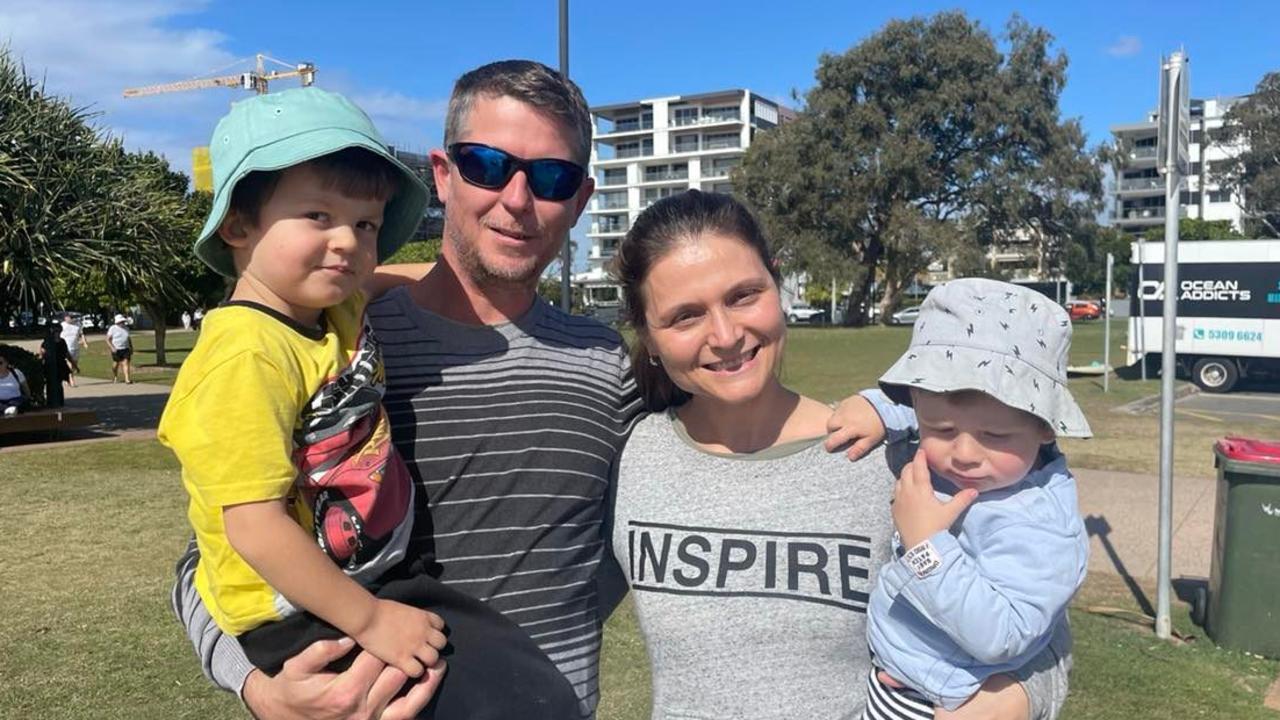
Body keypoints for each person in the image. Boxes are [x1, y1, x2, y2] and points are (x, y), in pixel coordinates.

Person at [158, 86, 580, 720]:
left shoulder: (335, 312)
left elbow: (389, 277)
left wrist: (470, 283)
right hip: (304, 611)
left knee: (530, 689)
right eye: (318, 217)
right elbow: (244, 526)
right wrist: (363, 624)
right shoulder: (244, 355)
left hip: (378, 579)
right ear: (240, 224)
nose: (347, 243)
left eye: (365, 225)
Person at [607, 191, 1070, 719]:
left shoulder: (893, 459)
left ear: (776, 285)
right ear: (647, 334)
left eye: (743, 296)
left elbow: (1037, 629)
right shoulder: (633, 454)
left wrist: (1009, 701)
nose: (726, 335)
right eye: (686, 316)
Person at [851, 278, 1088, 719]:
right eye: (940, 430)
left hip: (943, 700)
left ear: (1047, 427)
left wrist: (926, 548)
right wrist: (878, 408)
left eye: (994, 436)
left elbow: (1006, 633)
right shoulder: (971, 446)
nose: (963, 454)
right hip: (905, 677)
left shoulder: (1038, 525)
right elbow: (927, 407)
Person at [38, 321, 72, 407]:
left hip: (60, 366)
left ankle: (59, 402)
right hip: (50, 366)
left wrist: (74, 365)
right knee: (51, 384)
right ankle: (52, 401)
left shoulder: (62, 342)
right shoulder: (47, 342)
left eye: (58, 331)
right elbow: (41, 354)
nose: (57, 333)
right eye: (55, 331)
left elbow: (67, 354)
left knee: (58, 384)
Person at [60, 313, 88, 386]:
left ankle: (67, 377)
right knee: (70, 364)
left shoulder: (77, 325)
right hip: (67, 348)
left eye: (72, 317)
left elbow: (81, 334)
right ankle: (71, 380)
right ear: (65, 318)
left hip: (76, 347)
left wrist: (84, 343)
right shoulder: (62, 325)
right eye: (69, 317)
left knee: (74, 364)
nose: (71, 319)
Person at [106, 314, 133, 384]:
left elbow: (128, 339)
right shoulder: (112, 328)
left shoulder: (126, 328)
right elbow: (107, 339)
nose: (122, 323)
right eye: (121, 322)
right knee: (116, 364)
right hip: (116, 349)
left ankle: (127, 379)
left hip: (125, 348)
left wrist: (131, 347)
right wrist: (112, 347)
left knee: (126, 363)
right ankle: (115, 376)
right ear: (117, 322)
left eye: (123, 321)